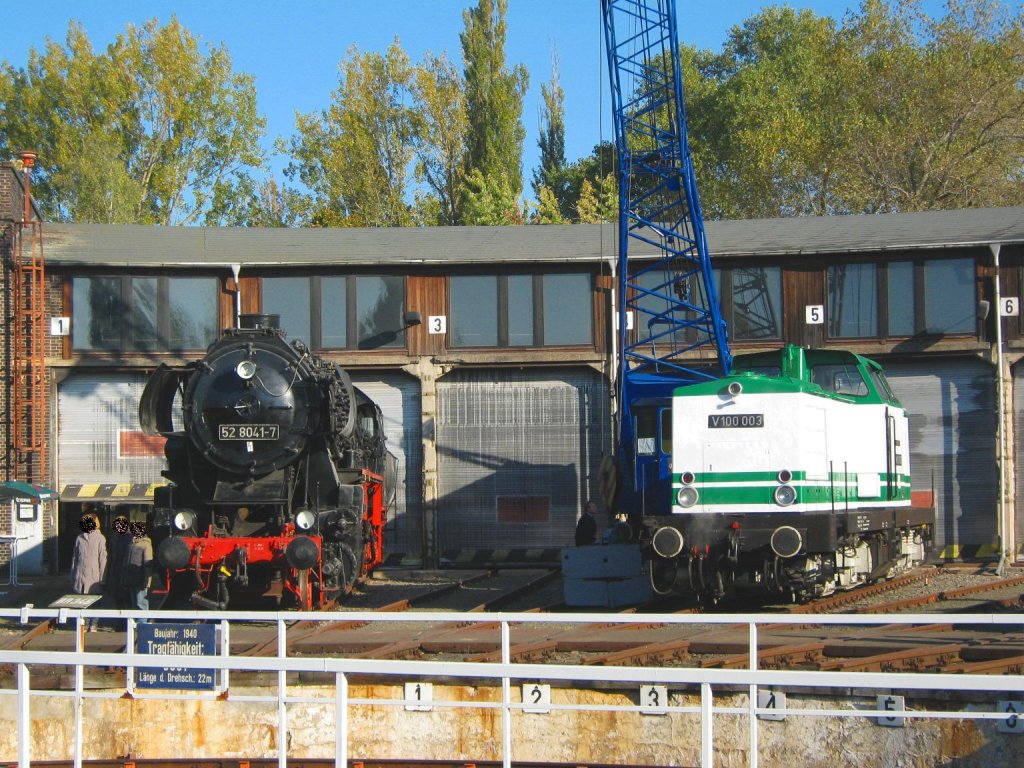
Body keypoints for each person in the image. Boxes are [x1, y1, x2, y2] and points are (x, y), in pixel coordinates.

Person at [69, 512, 107, 631]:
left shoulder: (100, 538)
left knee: (95, 601)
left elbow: (103, 559)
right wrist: (73, 575)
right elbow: (75, 558)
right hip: (80, 575)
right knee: (81, 601)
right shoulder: (79, 538)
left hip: (94, 576)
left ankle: (94, 623)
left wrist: (103, 578)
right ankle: (83, 623)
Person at [124, 521, 154, 613]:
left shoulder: (146, 545)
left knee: (141, 603)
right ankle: (135, 623)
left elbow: (148, 564)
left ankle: (142, 623)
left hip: (141, 579)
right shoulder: (131, 544)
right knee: (134, 603)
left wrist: (146, 582)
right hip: (130, 578)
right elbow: (126, 563)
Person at [107, 515, 133, 609]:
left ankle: (128, 620)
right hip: (115, 570)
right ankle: (120, 620)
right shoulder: (114, 537)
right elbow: (111, 555)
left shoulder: (130, 537)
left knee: (128, 597)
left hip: (125, 570)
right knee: (117, 598)